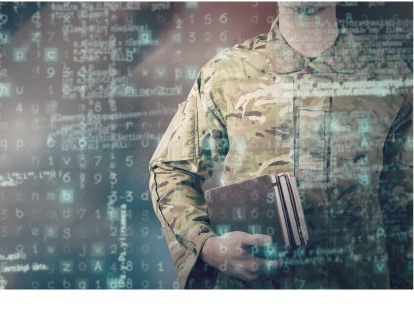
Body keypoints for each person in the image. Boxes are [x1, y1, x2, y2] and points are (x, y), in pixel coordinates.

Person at [149, 2, 412, 289]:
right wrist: (208, 246)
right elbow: (170, 171)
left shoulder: (393, 81)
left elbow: (405, 207)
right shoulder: (224, 73)